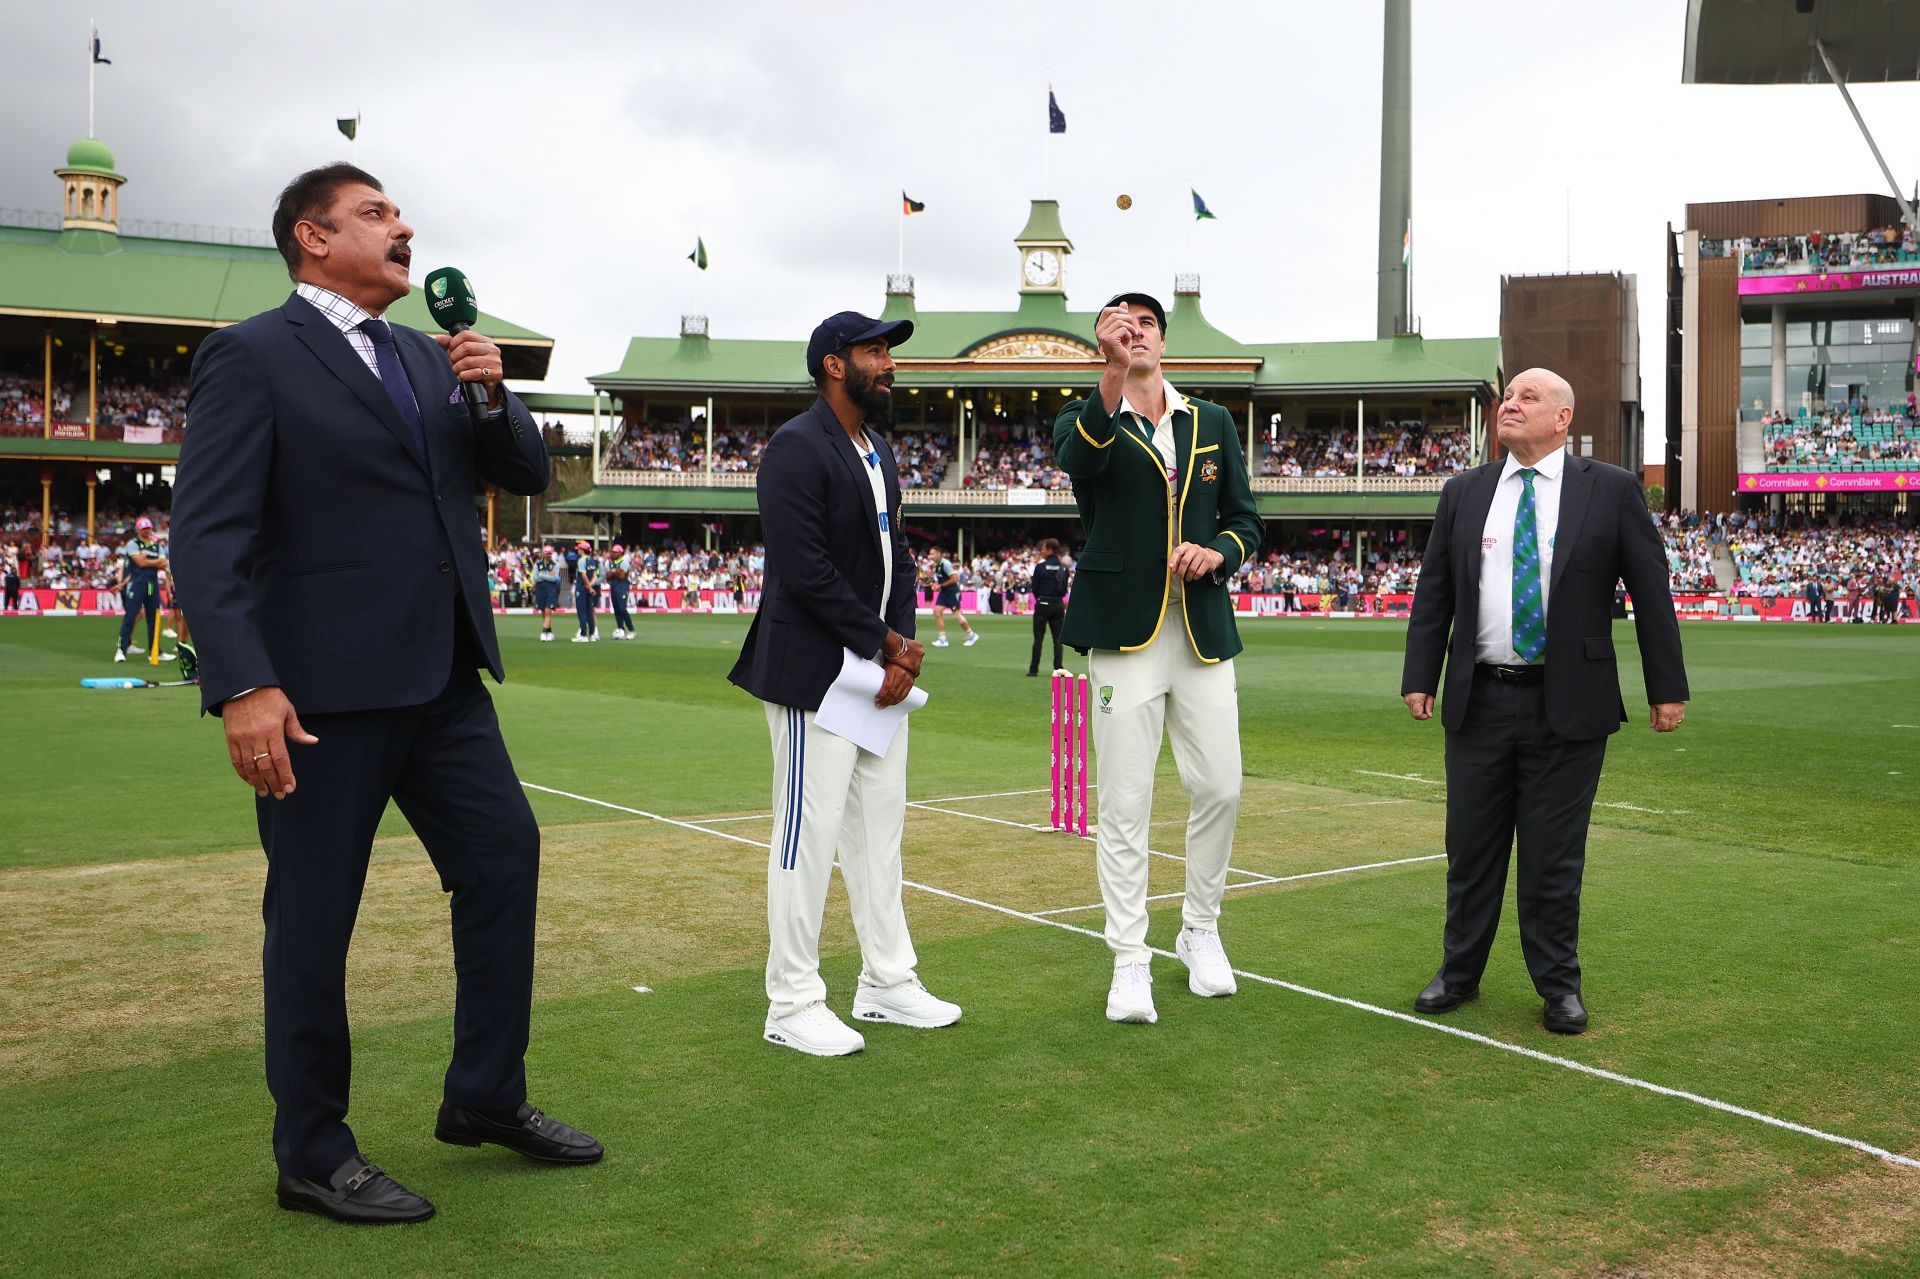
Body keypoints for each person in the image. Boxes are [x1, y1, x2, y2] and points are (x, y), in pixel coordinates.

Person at [170, 163, 599, 1226]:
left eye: (399, 213)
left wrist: (493, 390)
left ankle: (485, 1095)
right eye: (375, 214)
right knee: (315, 921)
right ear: (312, 239)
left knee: (505, 860)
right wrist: (243, 685)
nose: (402, 227)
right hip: (317, 695)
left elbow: (529, 477)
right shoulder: (253, 355)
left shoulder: (431, 356)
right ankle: (313, 1151)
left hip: (444, 680)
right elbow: (208, 532)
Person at [1400, 367, 1689, 1036]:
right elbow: (1434, 590)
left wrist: (1665, 687)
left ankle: (1559, 985)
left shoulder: (1611, 490)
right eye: (1509, 396)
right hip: (1480, 699)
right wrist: (1421, 674)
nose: (1512, 404)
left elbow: (1651, 593)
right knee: (1470, 850)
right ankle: (1459, 973)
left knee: (1554, 856)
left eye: (1528, 397)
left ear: (1563, 418)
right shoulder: (1464, 492)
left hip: (1570, 704)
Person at [728, 309, 960, 1057]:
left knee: (878, 836)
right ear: (834, 363)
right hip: (811, 675)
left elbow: (899, 562)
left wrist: (900, 649)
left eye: (889, 350)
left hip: (872, 673)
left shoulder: (879, 450)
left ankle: (887, 981)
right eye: (874, 350)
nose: (889, 362)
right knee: (807, 836)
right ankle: (791, 1000)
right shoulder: (795, 448)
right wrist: (886, 643)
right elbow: (806, 572)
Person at [1051, 291, 1266, 1025]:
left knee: (1222, 788)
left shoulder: (1210, 421)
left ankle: (1200, 927)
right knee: (1123, 802)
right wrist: (1108, 377)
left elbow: (1246, 519)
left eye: (1144, 323)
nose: (1132, 331)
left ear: (1164, 341)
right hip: (1123, 635)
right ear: (1103, 343)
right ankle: (1129, 957)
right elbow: (1080, 460)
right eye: (1117, 323)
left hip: (1200, 632)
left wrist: (1220, 552)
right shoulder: (1086, 417)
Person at [115, 517, 168, 662]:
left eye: (148, 528)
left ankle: (155, 651)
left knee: (154, 618)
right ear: (138, 530)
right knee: (130, 616)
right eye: (143, 529)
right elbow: (139, 562)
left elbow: (164, 564)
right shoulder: (133, 544)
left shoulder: (156, 545)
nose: (146, 531)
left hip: (152, 585)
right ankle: (122, 649)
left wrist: (148, 561)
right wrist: (154, 562)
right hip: (137, 584)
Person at [1027, 537, 1072, 676]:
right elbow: (1064, 590)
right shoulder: (1064, 568)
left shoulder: (1040, 567)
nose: (1042, 551)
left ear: (1050, 550)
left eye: (1044, 548)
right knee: (1058, 639)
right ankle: (1058, 667)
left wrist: (1041, 598)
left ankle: (1034, 670)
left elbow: (1034, 587)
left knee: (1038, 639)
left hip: (1043, 604)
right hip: (1058, 604)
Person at [928, 546, 978, 647]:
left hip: (952, 592)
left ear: (938, 553)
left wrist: (940, 585)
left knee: (956, 616)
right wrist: (936, 584)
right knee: (937, 612)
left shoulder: (945, 564)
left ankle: (971, 635)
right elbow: (941, 579)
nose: (930, 556)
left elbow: (954, 579)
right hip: (944, 592)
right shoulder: (936, 565)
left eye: (932, 554)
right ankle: (943, 639)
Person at [571, 540, 600, 643]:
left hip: (582, 589)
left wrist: (588, 586)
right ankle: (592, 634)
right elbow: (595, 575)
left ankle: (583, 635)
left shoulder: (581, 561)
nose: (578, 551)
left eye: (579, 549)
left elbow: (583, 575)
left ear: (583, 550)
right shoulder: (592, 561)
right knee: (589, 612)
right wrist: (591, 586)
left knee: (582, 612)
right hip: (588, 589)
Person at [531, 544, 562, 641]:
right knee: (543, 611)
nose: (548, 555)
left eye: (550, 553)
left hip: (551, 590)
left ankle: (544, 631)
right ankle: (549, 631)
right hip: (541, 590)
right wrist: (548, 576)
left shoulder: (555, 564)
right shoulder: (537, 565)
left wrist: (542, 575)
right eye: (546, 553)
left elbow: (556, 578)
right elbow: (535, 578)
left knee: (548, 610)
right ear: (543, 554)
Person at [606, 542, 634, 638]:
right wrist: (614, 573)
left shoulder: (624, 562)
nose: (612, 553)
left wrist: (613, 573)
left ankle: (631, 630)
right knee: (616, 609)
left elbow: (622, 576)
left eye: (615, 552)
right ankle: (620, 628)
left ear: (620, 553)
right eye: (612, 552)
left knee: (622, 609)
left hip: (622, 588)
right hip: (614, 587)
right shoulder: (611, 563)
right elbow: (608, 577)